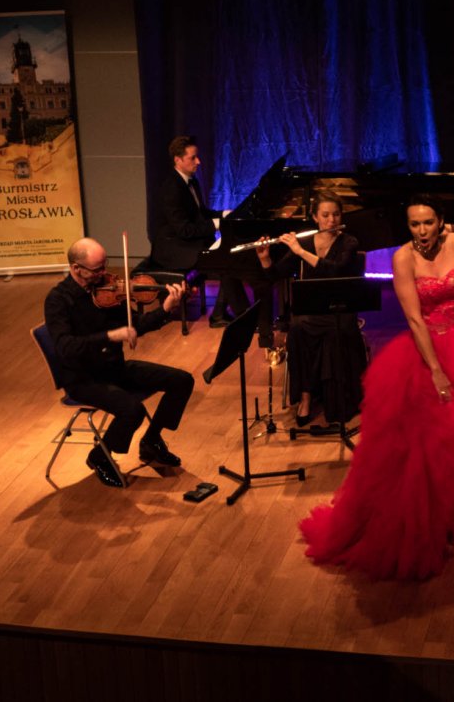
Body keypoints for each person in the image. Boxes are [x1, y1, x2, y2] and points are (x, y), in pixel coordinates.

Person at [298, 195, 454, 580]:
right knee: (429, 444)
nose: (422, 231)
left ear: (441, 222)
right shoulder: (402, 259)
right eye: (414, 224)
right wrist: (436, 371)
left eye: (427, 223)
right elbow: (415, 319)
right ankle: (436, 520)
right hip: (429, 348)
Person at [44, 237, 193, 487]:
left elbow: (135, 325)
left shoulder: (108, 291)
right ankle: (100, 456)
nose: (104, 274)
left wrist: (166, 308)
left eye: (105, 265)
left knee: (182, 380)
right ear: (76, 268)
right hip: (83, 378)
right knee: (132, 409)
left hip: (114, 368)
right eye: (97, 269)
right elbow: (65, 348)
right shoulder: (58, 300)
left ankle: (151, 441)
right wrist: (109, 336)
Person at [254, 193, 365, 427]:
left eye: (336, 214)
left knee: (337, 331)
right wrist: (265, 259)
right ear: (315, 217)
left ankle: (338, 402)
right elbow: (276, 274)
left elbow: (335, 271)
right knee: (297, 328)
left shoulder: (349, 242)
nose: (331, 220)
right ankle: (305, 397)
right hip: (312, 311)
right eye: (325, 215)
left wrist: (300, 252)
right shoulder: (304, 242)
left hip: (341, 310)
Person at [149, 134, 248, 328]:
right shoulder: (171, 188)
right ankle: (229, 315)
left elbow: (200, 213)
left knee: (231, 256)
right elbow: (184, 230)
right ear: (178, 160)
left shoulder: (191, 181)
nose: (198, 161)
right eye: (193, 158)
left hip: (187, 241)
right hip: (174, 248)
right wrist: (218, 223)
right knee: (226, 262)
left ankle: (221, 313)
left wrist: (225, 214)